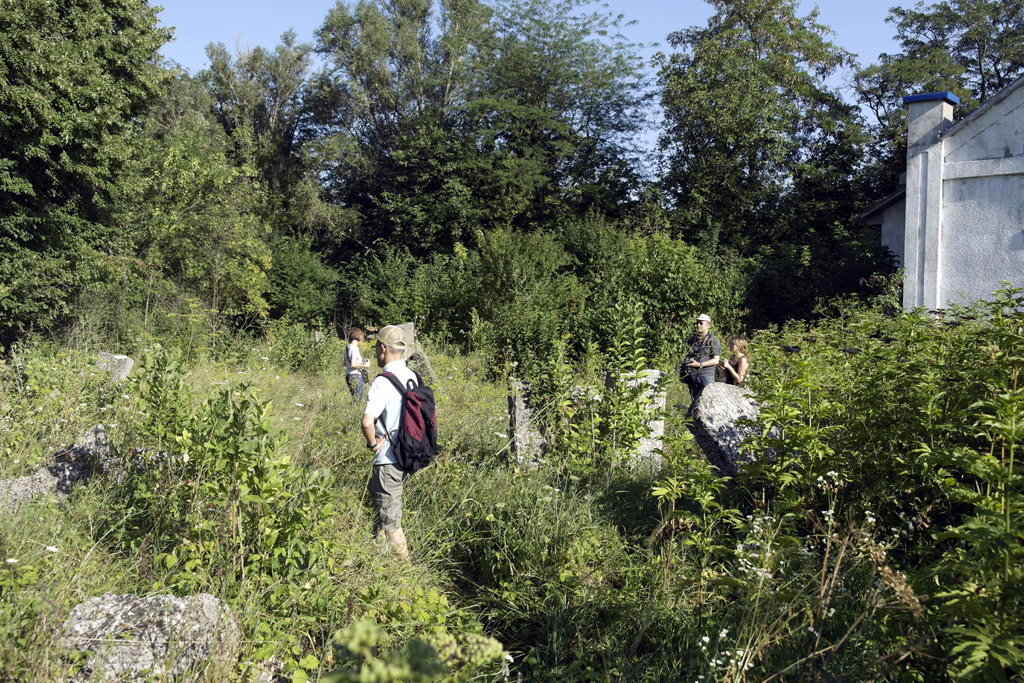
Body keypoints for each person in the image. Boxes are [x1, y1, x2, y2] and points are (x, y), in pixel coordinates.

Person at [360, 325, 418, 559]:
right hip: (407, 455)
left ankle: (406, 574)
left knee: (392, 521)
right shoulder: (412, 376)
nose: (375, 352)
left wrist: (374, 444)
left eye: (375, 347)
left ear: (383, 348)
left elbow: (366, 422)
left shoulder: (382, 381)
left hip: (389, 459)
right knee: (380, 505)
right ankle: (378, 554)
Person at [680, 313, 721, 411]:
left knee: (709, 402)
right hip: (692, 375)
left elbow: (716, 360)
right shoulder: (692, 340)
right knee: (695, 403)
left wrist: (700, 364)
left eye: (701, 323)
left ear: (708, 325)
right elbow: (687, 355)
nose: (698, 325)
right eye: (697, 323)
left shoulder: (713, 340)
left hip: (706, 375)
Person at [345, 327, 372, 401]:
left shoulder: (347, 348)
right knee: (358, 399)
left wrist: (360, 363)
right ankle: (353, 411)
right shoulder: (354, 348)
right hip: (355, 375)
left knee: (355, 398)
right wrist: (364, 365)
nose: (362, 339)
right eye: (362, 337)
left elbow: (345, 363)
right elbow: (353, 364)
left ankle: (351, 411)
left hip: (348, 375)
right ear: (358, 337)